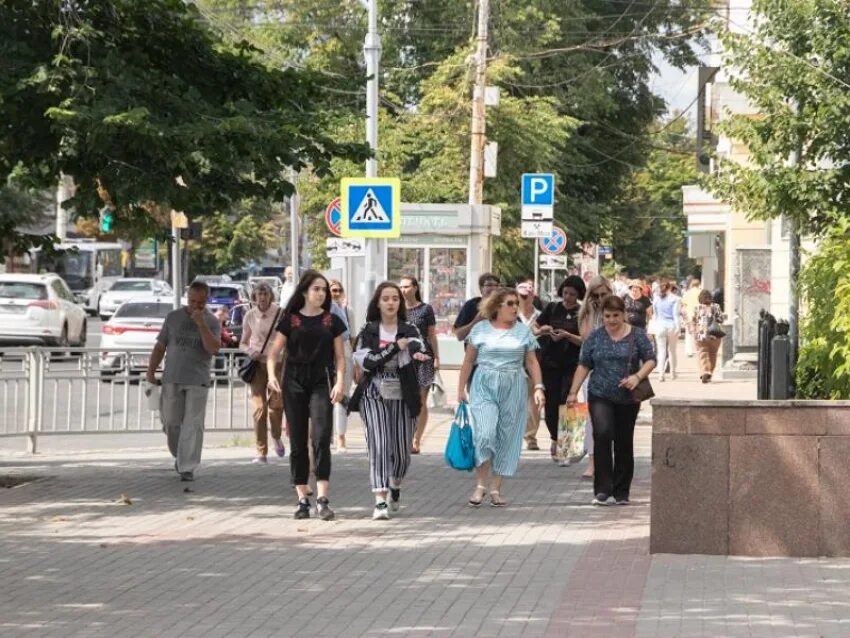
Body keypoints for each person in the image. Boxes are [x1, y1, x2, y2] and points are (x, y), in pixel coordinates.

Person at [266, 270, 346, 521]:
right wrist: (271, 376)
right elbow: (273, 353)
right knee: (298, 440)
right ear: (304, 292)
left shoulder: (331, 321)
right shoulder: (290, 320)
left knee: (321, 437)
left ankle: (322, 498)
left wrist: (340, 382)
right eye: (316, 289)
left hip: (321, 382)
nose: (321, 294)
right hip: (293, 383)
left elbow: (340, 357)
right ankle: (302, 498)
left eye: (324, 290)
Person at [457, 287, 545, 508]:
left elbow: (532, 362)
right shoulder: (480, 330)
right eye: (510, 303)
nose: (516, 307)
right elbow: (468, 361)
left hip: (514, 383)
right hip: (484, 383)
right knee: (485, 434)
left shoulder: (523, 331)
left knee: (507, 436)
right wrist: (460, 389)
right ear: (496, 306)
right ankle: (480, 484)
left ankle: (496, 487)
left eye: (517, 303)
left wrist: (538, 387)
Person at [350, 282, 429, 520]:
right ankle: (380, 500)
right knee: (380, 444)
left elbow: (419, 347)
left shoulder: (410, 328)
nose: (391, 302)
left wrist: (416, 352)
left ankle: (395, 485)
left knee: (402, 452)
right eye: (386, 298)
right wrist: (396, 347)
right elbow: (368, 361)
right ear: (378, 302)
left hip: (403, 392)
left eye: (395, 298)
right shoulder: (368, 331)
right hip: (374, 392)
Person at [567, 294, 656, 506]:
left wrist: (637, 377)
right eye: (607, 316)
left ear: (624, 314)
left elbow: (651, 360)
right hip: (600, 394)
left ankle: (622, 491)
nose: (612, 320)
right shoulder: (596, 337)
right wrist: (573, 392)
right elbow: (584, 364)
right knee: (603, 434)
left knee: (624, 441)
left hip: (628, 396)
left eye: (616, 315)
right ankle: (602, 490)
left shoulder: (637, 335)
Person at [146, 281, 221, 482]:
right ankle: (180, 455)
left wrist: (201, 324)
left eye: (200, 302)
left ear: (206, 301)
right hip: (172, 378)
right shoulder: (173, 318)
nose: (195, 306)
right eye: (192, 301)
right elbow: (160, 346)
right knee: (171, 423)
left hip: (198, 380)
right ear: (187, 298)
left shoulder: (212, 321)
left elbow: (214, 348)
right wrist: (151, 371)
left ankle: (187, 466)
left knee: (193, 425)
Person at [532, 276, 586, 460]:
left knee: (567, 401)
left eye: (572, 294)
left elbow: (584, 341)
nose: (568, 297)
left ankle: (568, 443)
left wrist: (567, 335)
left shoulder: (582, 312)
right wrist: (544, 330)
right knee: (551, 403)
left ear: (579, 295)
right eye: (565, 293)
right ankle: (555, 438)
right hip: (550, 362)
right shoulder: (552, 307)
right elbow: (535, 328)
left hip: (572, 363)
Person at [240, 282, 284, 464]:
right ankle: (261, 452)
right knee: (259, 408)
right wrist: (251, 352)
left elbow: (288, 338)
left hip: (277, 364)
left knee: (276, 406)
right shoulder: (250, 315)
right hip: (258, 364)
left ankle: (276, 436)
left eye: (265, 294)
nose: (262, 297)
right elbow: (242, 342)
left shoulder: (280, 313)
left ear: (270, 296)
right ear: (254, 297)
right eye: (259, 294)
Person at [576, 275, 613, 480]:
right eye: (595, 295)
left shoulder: (617, 310)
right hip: (592, 370)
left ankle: (609, 460)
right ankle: (592, 462)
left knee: (612, 419)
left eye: (603, 294)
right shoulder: (585, 313)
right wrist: (590, 311)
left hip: (614, 370)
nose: (600, 299)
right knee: (592, 417)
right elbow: (586, 339)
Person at [398, 275, 440, 455]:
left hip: (424, 358)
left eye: (406, 286)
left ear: (415, 288)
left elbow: (432, 334)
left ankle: (416, 439)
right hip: (403, 358)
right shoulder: (397, 310)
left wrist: (437, 357)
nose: (403, 290)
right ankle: (406, 436)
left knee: (421, 401)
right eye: (401, 287)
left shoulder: (425, 309)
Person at [516, 278, 542, 451]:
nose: (525, 299)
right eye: (522, 296)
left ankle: (530, 436)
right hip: (515, 362)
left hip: (534, 361)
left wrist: (541, 332)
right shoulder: (511, 315)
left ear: (533, 295)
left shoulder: (540, 315)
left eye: (528, 295)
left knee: (533, 402)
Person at [329, 279, 353, 452]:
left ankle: (341, 437)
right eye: (332, 290)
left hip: (344, 354)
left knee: (342, 397)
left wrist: (357, 363)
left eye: (338, 290)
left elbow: (352, 337)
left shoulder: (346, 310)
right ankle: (327, 435)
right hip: (325, 355)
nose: (335, 293)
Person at [452, 273, 500, 342]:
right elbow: (459, 336)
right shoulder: (471, 305)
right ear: (481, 288)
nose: (494, 288)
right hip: (474, 351)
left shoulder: (504, 306)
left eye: (496, 285)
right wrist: (476, 321)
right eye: (489, 285)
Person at [692, 289, 726, 383]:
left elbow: (693, 320)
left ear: (700, 298)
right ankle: (710, 372)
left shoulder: (697, 307)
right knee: (713, 354)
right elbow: (721, 320)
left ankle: (705, 371)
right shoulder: (716, 306)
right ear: (711, 297)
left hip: (701, 334)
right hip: (714, 334)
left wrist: (694, 331)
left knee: (702, 353)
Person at [652, 280, 681, 382]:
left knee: (661, 351)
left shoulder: (656, 299)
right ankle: (672, 373)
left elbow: (655, 314)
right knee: (672, 351)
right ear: (670, 288)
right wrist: (678, 327)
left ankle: (661, 374)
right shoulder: (675, 299)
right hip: (671, 326)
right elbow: (676, 315)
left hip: (659, 326)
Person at [681, 279, 702, 358]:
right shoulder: (701, 292)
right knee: (699, 333)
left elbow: (683, 305)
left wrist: (684, 318)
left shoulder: (687, 293)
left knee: (688, 333)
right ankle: (698, 349)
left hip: (689, 314)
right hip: (699, 314)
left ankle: (689, 351)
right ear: (699, 284)